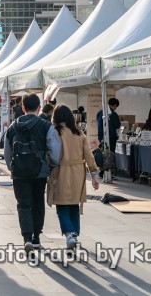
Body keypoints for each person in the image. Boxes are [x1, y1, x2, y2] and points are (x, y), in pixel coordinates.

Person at [6, 93, 61, 252]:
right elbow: (54, 149)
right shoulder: (45, 126)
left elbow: (7, 151)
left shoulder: (13, 126)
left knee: (23, 204)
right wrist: (52, 164)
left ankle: (27, 237)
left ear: (22, 108)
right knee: (37, 202)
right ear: (39, 108)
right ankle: (36, 236)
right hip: (40, 171)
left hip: (19, 173)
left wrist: (12, 168)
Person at [46, 105, 99, 250]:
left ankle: (69, 235)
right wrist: (94, 175)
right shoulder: (79, 133)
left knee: (62, 206)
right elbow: (89, 155)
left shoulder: (55, 132)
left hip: (61, 172)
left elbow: (51, 153)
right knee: (74, 205)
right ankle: (74, 234)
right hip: (78, 173)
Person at [96, 98, 120, 184]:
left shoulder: (100, 112)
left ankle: (103, 172)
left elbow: (99, 126)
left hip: (103, 137)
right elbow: (117, 125)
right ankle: (106, 172)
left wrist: (100, 137)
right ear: (114, 105)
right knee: (109, 155)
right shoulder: (113, 114)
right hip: (111, 137)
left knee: (104, 154)